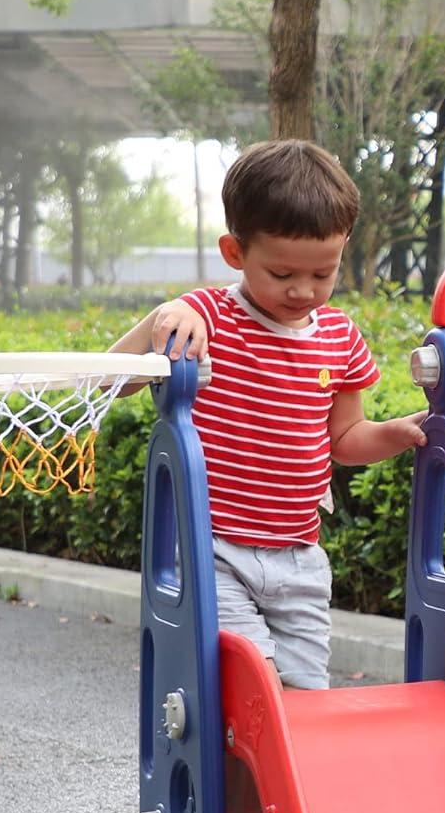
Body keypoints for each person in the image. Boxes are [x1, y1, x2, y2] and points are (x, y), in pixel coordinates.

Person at [110, 139, 426, 690]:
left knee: (305, 699)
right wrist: (163, 316)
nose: (304, 291)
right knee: (252, 688)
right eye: (282, 275)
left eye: (323, 274)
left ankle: (269, 782)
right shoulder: (202, 318)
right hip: (213, 549)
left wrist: (395, 434)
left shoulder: (339, 337)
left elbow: (345, 438)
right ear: (235, 252)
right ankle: (227, 777)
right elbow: (114, 379)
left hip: (300, 557)